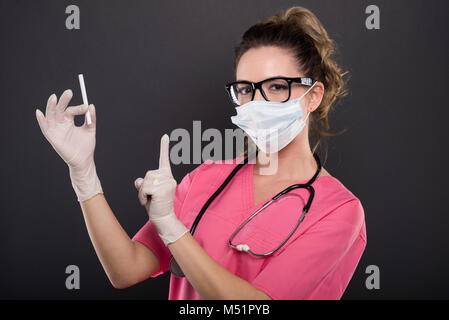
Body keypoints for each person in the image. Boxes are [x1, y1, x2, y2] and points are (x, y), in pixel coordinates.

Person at [35, 6, 366, 300]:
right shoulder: (208, 177)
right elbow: (126, 269)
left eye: (276, 86)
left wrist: (172, 229)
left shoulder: (338, 212)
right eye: (245, 89)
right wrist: (83, 173)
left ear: (313, 96)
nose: (257, 102)